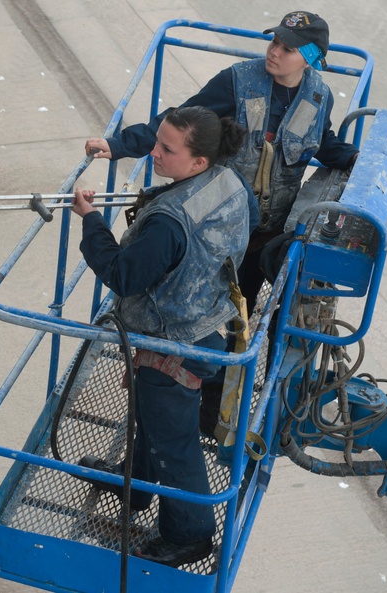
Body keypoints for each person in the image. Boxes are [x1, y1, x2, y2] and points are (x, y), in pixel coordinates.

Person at [72, 106, 258, 567]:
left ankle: (191, 534)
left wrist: (91, 220)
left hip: (172, 345)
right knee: (155, 425)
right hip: (210, 320)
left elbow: (123, 273)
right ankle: (135, 483)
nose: (153, 153)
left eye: (166, 149)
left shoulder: (169, 222)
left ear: (198, 162)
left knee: (174, 442)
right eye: (157, 140)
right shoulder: (228, 180)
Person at [84, 11, 358, 315]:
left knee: (245, 307)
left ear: (309, 58)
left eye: (287, 49)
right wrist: (120, 145)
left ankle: (232, 357)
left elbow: (322, 139)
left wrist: (354, 158)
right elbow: (182, 121)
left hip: (268, 233)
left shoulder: (319, 96)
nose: (274, 52)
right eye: (274, 42)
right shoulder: (237, 81)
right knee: (204, 303)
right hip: (221, 223)